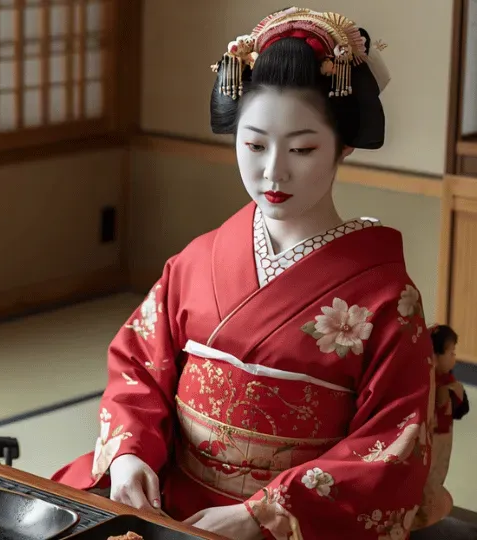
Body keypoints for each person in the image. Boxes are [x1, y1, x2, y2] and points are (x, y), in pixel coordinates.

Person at [51, 7, 435, 540]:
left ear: (344, 145)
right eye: (253, 145)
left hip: (290, 522)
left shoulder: (386, 298)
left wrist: (264, 515)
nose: (273, 171)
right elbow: (138, 367)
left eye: (302, 148)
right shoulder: (198, 260)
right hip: (168, 493)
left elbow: (393, 443)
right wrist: (129, 454)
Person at [413, 324, 469, 529]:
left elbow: (462, 410)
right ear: (434, 356)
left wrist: (450, 396)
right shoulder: (421, 383)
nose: (454, 358)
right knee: (422, 484)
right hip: (425, 446)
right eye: (451, 353)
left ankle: (427, 518)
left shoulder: (450, 383)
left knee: (434, 481)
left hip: (442, 446)